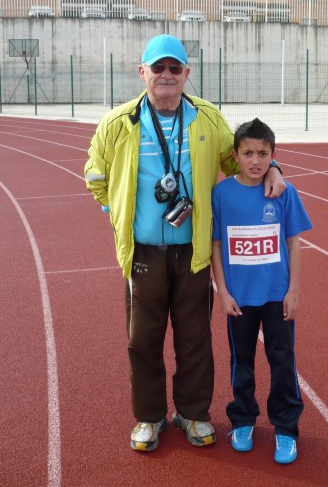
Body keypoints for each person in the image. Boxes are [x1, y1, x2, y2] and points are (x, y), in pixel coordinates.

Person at [84, 34, 286, 452]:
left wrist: (274, 169)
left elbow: (238, 160)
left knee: (194, 338)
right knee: (143, 340)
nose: (166, 75)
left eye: (174, 67)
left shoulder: (207, 119)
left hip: (193, 252)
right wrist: (114, 209)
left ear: (186, 74)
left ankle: (193, 414)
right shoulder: (117, 123)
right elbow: (95, 175)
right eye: (157, 67)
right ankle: (149, 417)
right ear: (142, 72)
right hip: (142, 252)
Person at [211, 118, 312, 464]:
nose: (255, 161)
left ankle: (286, 427)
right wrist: (222, 292)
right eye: (248, 153)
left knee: (282, 360)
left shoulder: (284, 192)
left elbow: (293, 243)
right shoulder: (221, 193)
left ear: (273, 155)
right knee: (241, 360)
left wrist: (293, 291)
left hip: (277, 296)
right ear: (235, 156)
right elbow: (216, 245)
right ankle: (243, 419)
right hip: (239, 298)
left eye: (263, 154)